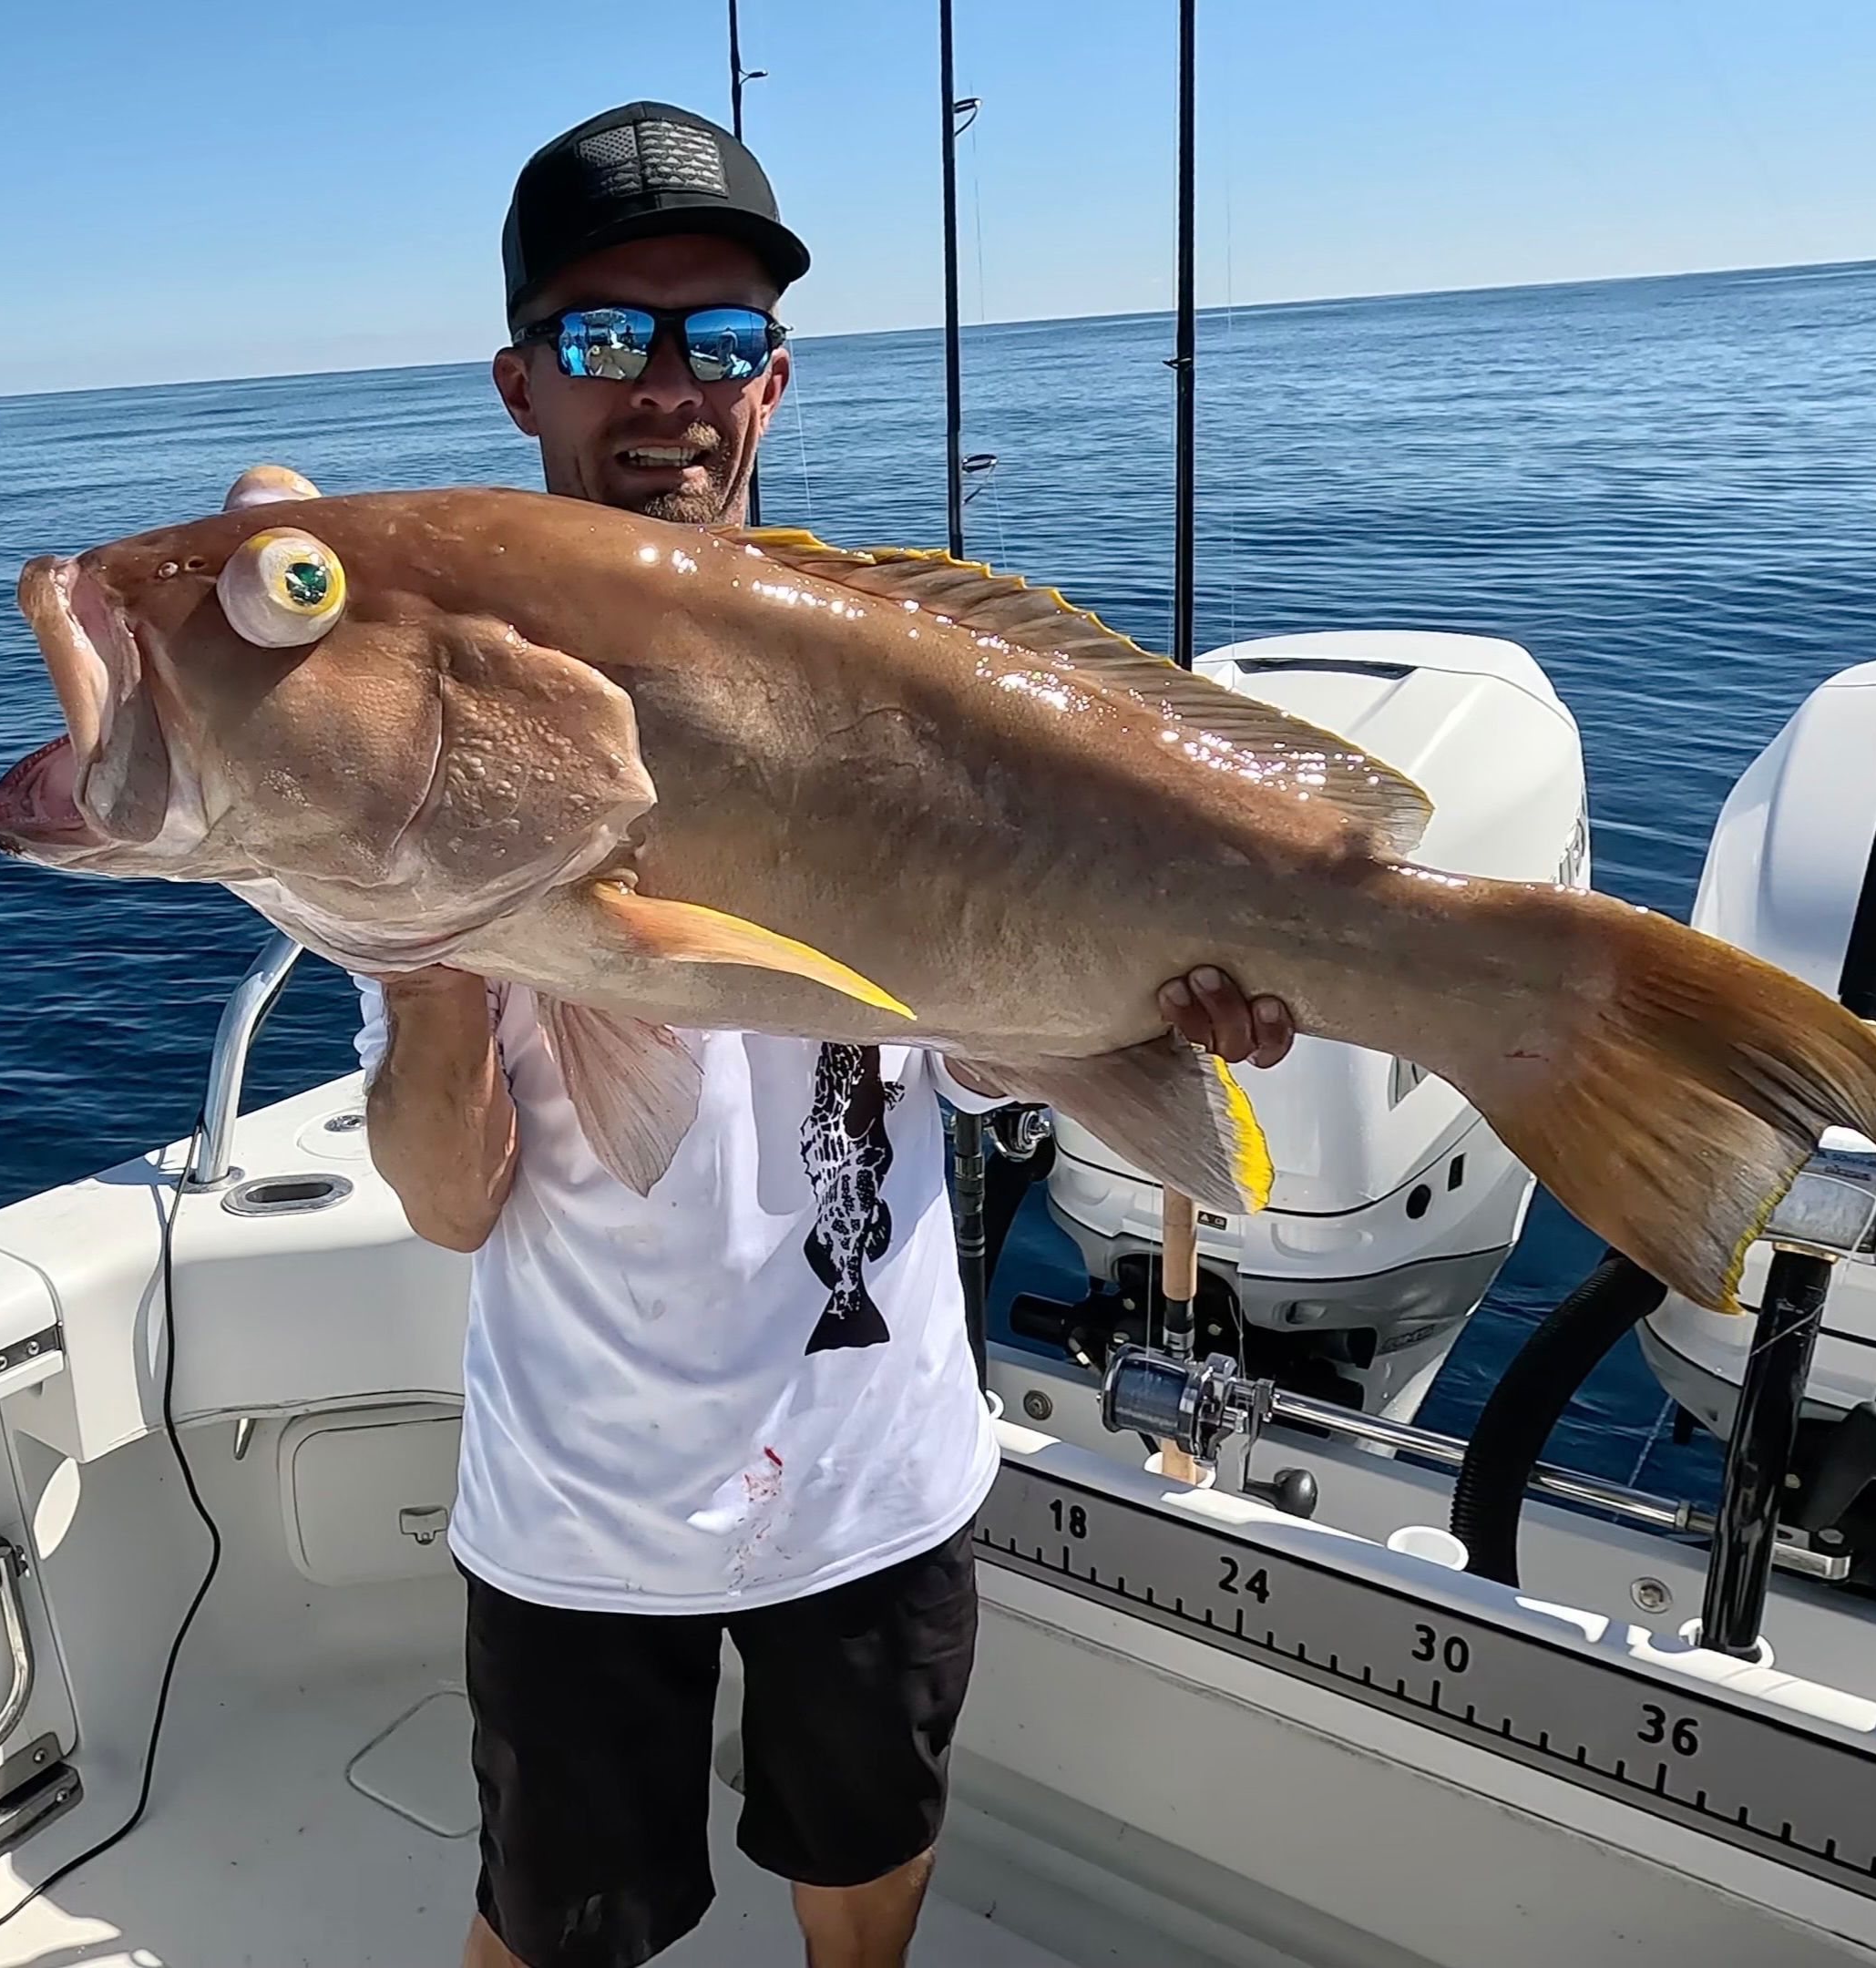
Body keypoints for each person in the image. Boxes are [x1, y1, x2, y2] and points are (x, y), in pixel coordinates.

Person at [357, 101, 1295, 1968]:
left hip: (875, 1470)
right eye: (607, 338)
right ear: (521, 381)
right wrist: (433, 955)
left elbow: (983, 1053)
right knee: (551, 1926)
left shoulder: (901, 688)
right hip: (581, 1500)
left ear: (771, 384)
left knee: (867, 1866)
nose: (667, 390)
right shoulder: (447, 690)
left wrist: (1148, 1006)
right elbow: (453, 1202)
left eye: (715, 341)